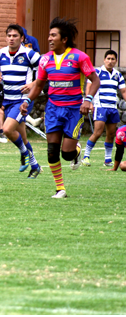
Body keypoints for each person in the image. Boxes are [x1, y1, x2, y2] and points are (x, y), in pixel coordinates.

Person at [20, 17, 100, 198]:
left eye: (53, 35)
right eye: (49, 35)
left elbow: (95, 80)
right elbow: (39, 85)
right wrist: (26, 101)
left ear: (64, 39)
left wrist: (88, 99)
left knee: (66, 154)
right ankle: (60, 189)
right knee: (51, 151)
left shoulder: (80, 57)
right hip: (53, 109)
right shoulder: (44, 60)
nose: (49, 39)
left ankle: (76, 151)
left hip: (74, 110)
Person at [0, 24, 42, 178]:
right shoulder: (0, 54)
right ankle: (35, 166)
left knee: (6, 130)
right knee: (23, 137)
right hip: (9, 100)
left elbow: (44, 73)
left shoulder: (29, 54)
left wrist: (32, 84)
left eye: (15, 36)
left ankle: (25, 154)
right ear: (6, 37)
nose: (11, 38)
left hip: (23, 101)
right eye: (9, 36)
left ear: (22, 38)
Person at [82, 50, 126, 167]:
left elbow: (123, 91)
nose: (110, 61)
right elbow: (89, 86)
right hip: (101, 106)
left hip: (112, 107)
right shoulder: (97, 72)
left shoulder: (118, 75)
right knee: (98, 132)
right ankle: (86, 156)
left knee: (111, 134)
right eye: (108, 59)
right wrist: (89, 101)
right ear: (104, 60)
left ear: (116, 61)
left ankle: (107, 160)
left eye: (113, 59)